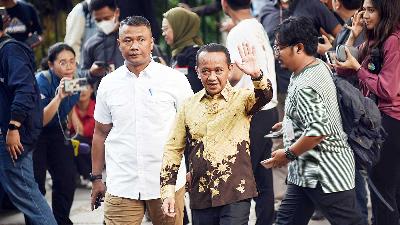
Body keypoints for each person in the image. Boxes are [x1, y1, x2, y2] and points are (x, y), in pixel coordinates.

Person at [90, 16, 193, 225]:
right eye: (128, 40)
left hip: (167, 184)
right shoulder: (108, 84)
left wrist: (193, 169)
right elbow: (100, 132)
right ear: (119, 44)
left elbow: (192, 128)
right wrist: (96, 178)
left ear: (152, 42)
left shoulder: (174, 80)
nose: (134, 46)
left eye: (141, 39)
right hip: (122, 183)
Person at [160, 43, 273, 225]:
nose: (212, 77)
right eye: (205, 71)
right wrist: (168, 191)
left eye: (218, 70)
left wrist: (256, 75)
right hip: (200, 195)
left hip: (236, 191)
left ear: (229, 70)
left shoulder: (243, 99)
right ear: (197, 71)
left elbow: (265, 96)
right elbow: (173, 149)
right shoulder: (188, 106)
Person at [267, 16, 364, 225]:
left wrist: (288, 154)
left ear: (299, 48)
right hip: (305, 171)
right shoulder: (315, 66)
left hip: (325, 173)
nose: (277, 54)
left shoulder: (306, 85)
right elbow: (318, 113)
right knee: (286, 221)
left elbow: (318, 130)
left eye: (279, 47)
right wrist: (288, 124)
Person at [334, 0, 400, 224]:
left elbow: (387, 89)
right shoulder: (374, 41)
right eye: (364, 10)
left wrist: (359, 70)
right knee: (387, 191)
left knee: (383, 193)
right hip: (378, 120)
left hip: (390, 122)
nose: (365, 15)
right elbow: (341, 70)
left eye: (371, 10)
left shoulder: (393, 41)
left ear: (386, 11)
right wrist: (353, 37)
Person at [221, 0, 278, 224]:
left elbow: (234, 75)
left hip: (251, 112)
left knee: (240, 179)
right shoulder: (257, 25)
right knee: (263, 178)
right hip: (269, 109)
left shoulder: (237, 31)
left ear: (225, 4)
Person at [0, 17, 57, 225]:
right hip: (9, 133)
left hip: (12, 135)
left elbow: (24, 90)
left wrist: (13, 127)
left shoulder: (10, 50)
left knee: (27, 196)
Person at [34, 43, 80, 224]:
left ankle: (61, 220)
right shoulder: (42, 81)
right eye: (63, 62)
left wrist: (72, 118)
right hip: (36, 133)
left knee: (67, 179)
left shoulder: (75, 80)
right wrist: (59, 96)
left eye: (72, 61)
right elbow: (41, 120)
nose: (69, 66)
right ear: (51, 65)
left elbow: (71, 104)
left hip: (59, 131)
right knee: (37, 184)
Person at [162, 7, 203, 93]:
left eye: (166, 29)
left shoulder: (195, 54)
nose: (163, 33)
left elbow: (192, 87)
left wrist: (166, 74)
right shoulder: (178, 51)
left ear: (179, 27)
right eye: (163, 30)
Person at [69, 83, 95, 187]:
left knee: (78, 141)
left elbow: (82, 132)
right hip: (73, 144)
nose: (82, 91)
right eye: (78, 87)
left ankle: (88, 175)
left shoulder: (96, 106)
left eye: (85, 87)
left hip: (93, 146)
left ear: (92, 89)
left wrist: (71, 108)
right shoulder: (69, 105)